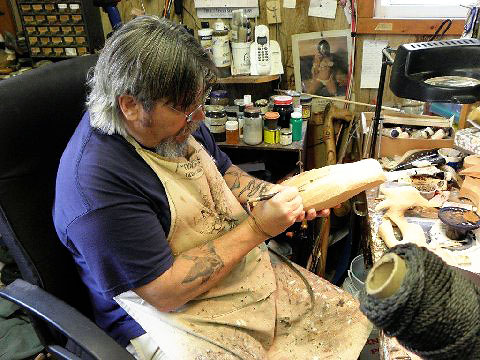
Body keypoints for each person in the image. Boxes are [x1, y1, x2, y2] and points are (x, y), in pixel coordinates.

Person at [53, 16, 370, 359]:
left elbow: (224, 172)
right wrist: (260, 227)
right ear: (129, 105)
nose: (199, 118)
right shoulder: (95, 187)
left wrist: (276, 196)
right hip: (162, 318)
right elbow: (164, 292)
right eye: (187, 110)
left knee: (346, 316)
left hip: (224, 276)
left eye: (198, 104)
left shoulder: (174, 124)